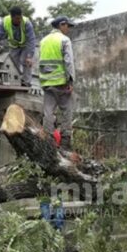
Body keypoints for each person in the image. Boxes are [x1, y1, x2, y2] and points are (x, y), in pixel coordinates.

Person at [39, 15, 76, 150]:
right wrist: (70, 80)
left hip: (46, 82)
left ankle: (47, 140)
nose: (69, 29)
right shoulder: (64, 40)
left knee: (48, 111)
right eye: (68, 26)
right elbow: (69, 61)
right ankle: (65, 141)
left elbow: (40, 62)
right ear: (62, 25)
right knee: (67, 110)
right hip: (61, 83)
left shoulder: (43, 41)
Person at [0, 6, 36, 86]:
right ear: (12, 17)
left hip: (25, 45)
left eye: (20, 17)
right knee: (12, 63)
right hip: (14, 46)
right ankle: (14, 81)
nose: (19, 20)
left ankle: (26, 82)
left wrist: (29, 56)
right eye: (17, 18)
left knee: (26, 61)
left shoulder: (26, 23)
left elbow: (31, 40)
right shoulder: (5, 22)